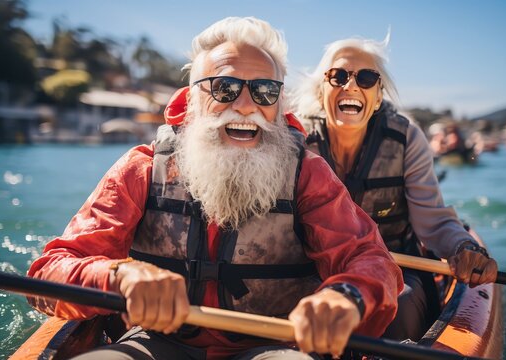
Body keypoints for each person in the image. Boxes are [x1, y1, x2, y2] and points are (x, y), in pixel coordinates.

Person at [27, 18, 403, 360]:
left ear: (277, 104)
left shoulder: (307, 173)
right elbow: (48, 273)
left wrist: (347, 296)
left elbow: (372, 260)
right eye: (224, 88)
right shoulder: (141, 168)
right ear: (192, 99)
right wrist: (119, 276)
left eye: (264, 91)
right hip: (155, 343)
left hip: (275, 347)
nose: (244, 106)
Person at [292, 36, 498, 341]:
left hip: (395, 270)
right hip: (316, 270)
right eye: (337, 76)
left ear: (377, 97)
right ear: (322, 90)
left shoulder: (406, 139)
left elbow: (434, 221)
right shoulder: (296, 140)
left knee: (397, 312)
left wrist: (464, 248)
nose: (350, 86)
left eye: (366, 78)